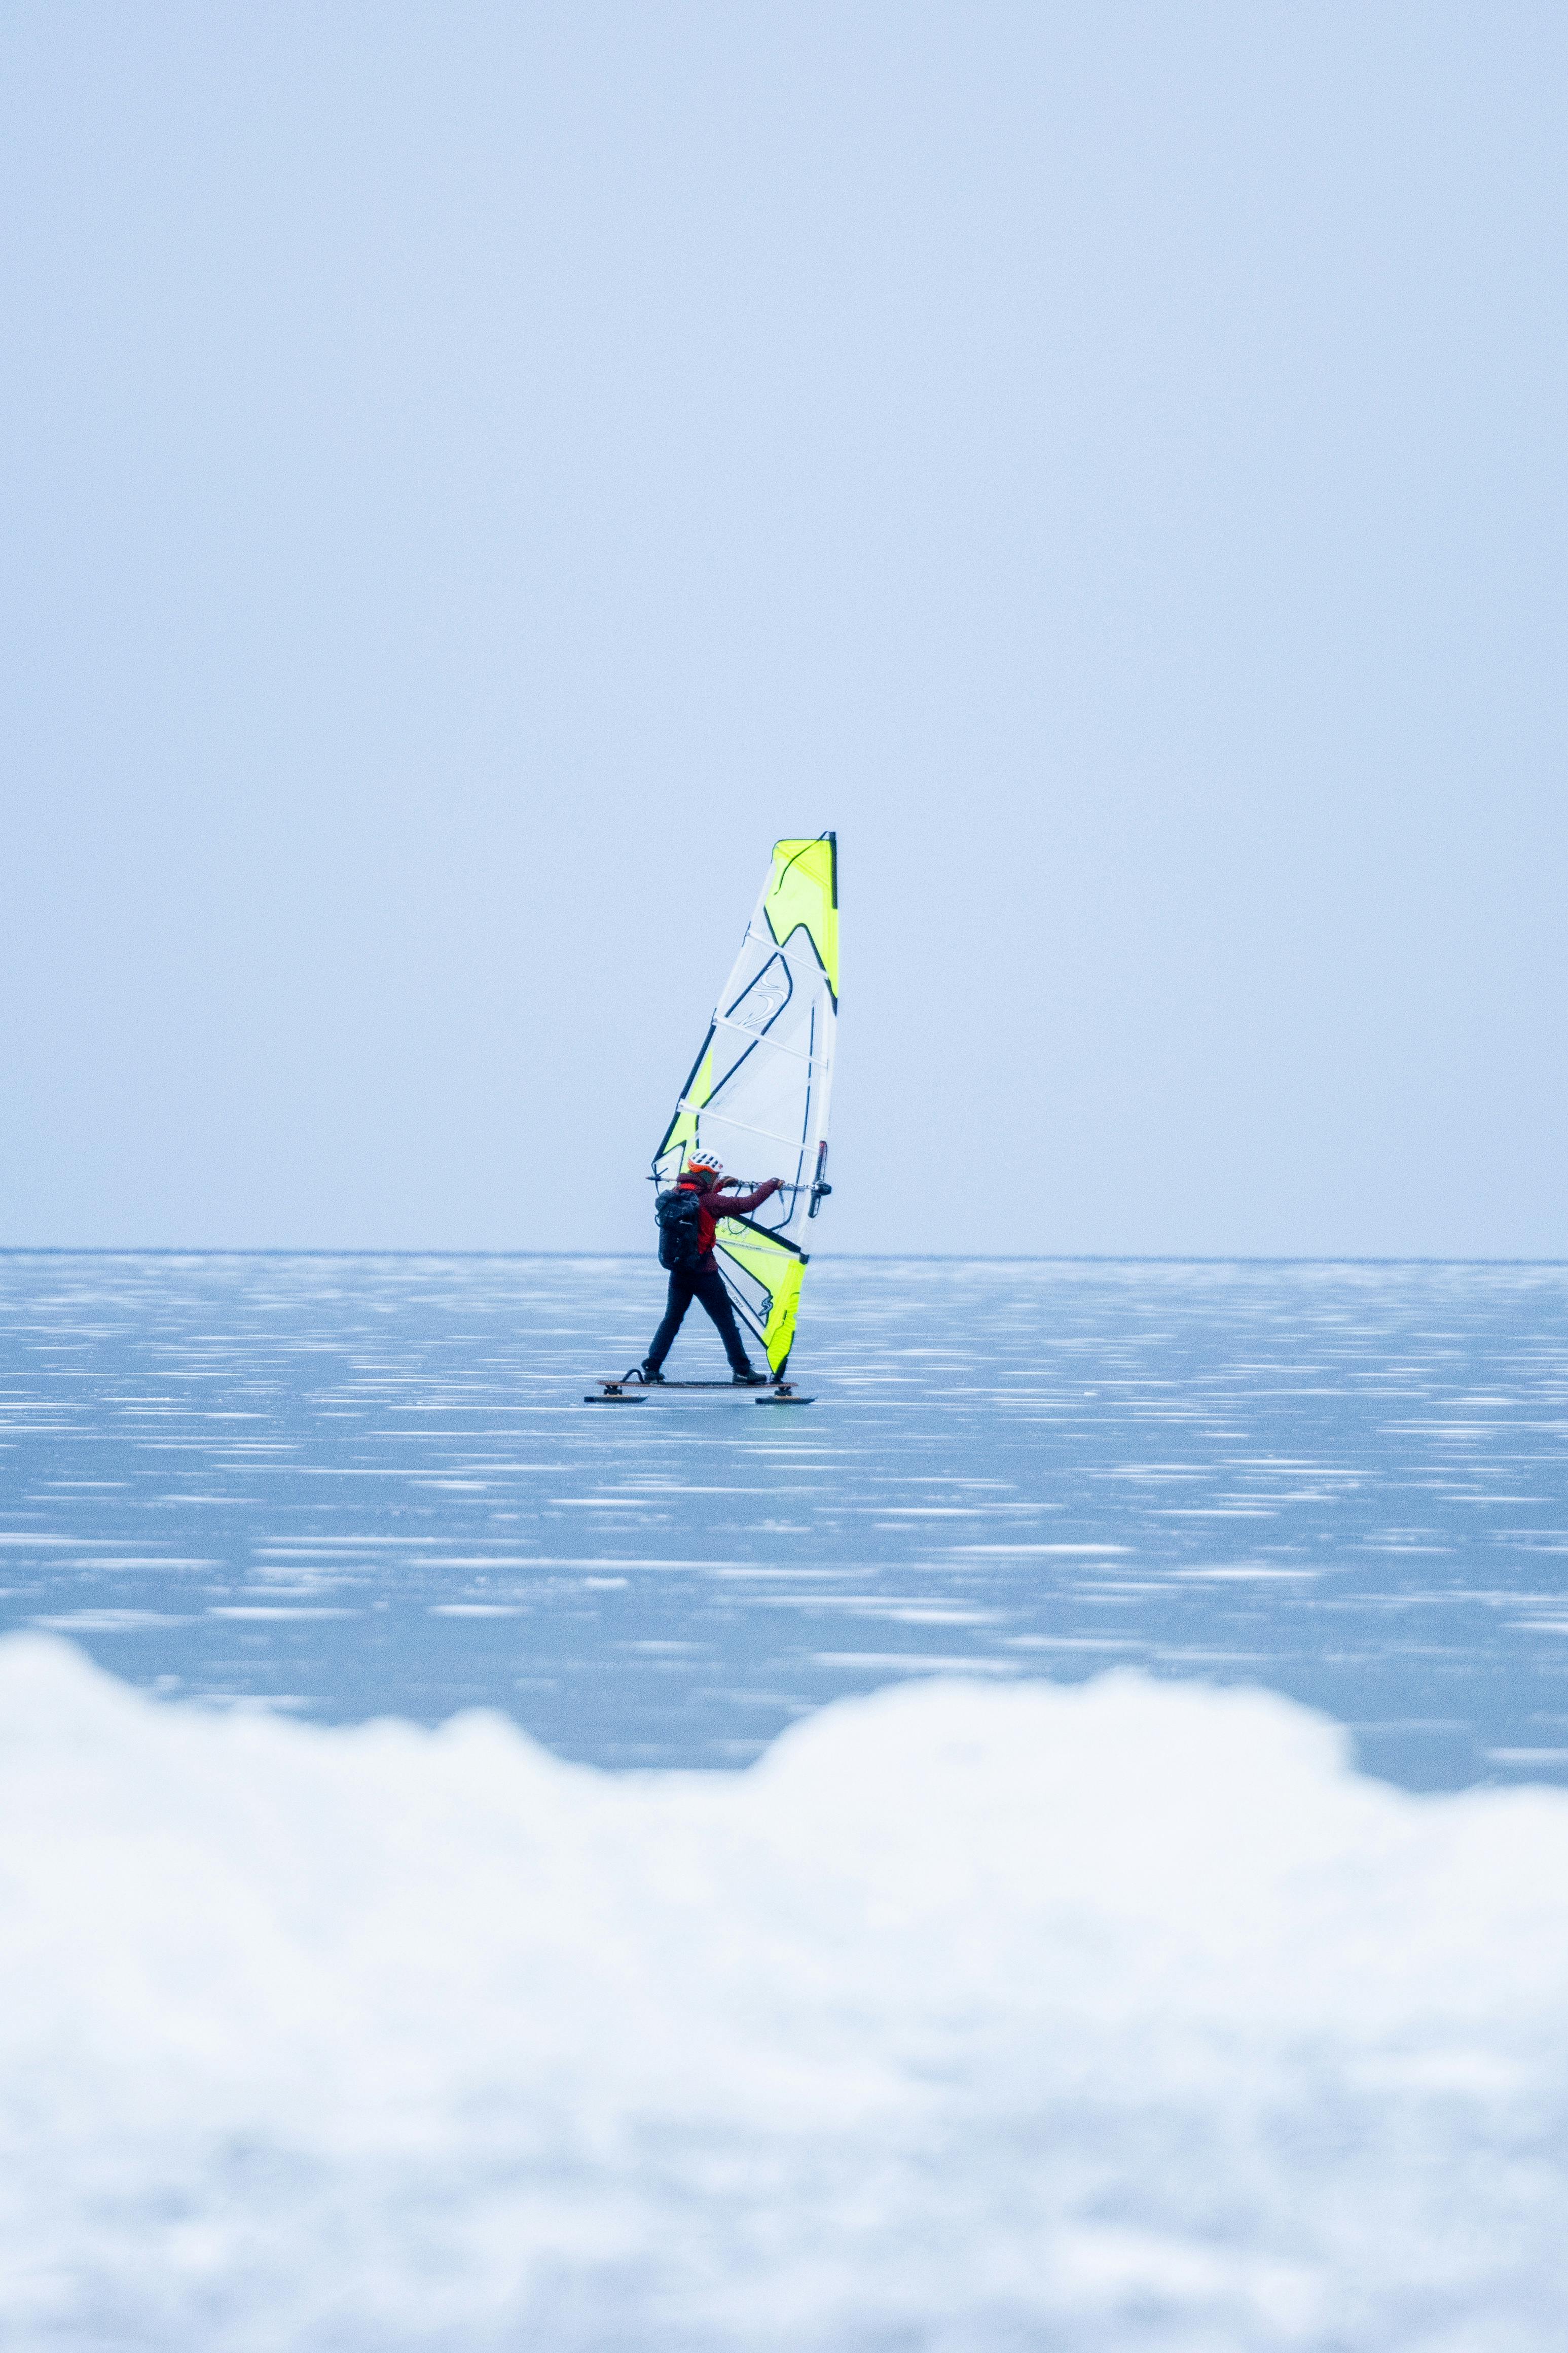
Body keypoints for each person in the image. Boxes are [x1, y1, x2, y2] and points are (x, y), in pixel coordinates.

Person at [635, 1157, 783, 1385]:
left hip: (678, 1271)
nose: (715, 1179)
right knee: (726, 1323)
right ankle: (742, 1370)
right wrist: (771, 1185)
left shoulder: (676, 1194)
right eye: (714, 1176)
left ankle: (652, 1368)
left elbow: (700, 1195)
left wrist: (722, 1185)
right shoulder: (712, 1202)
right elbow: (748, 1204)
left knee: (671, 1321)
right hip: (704, 1274)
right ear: (707, 1175)